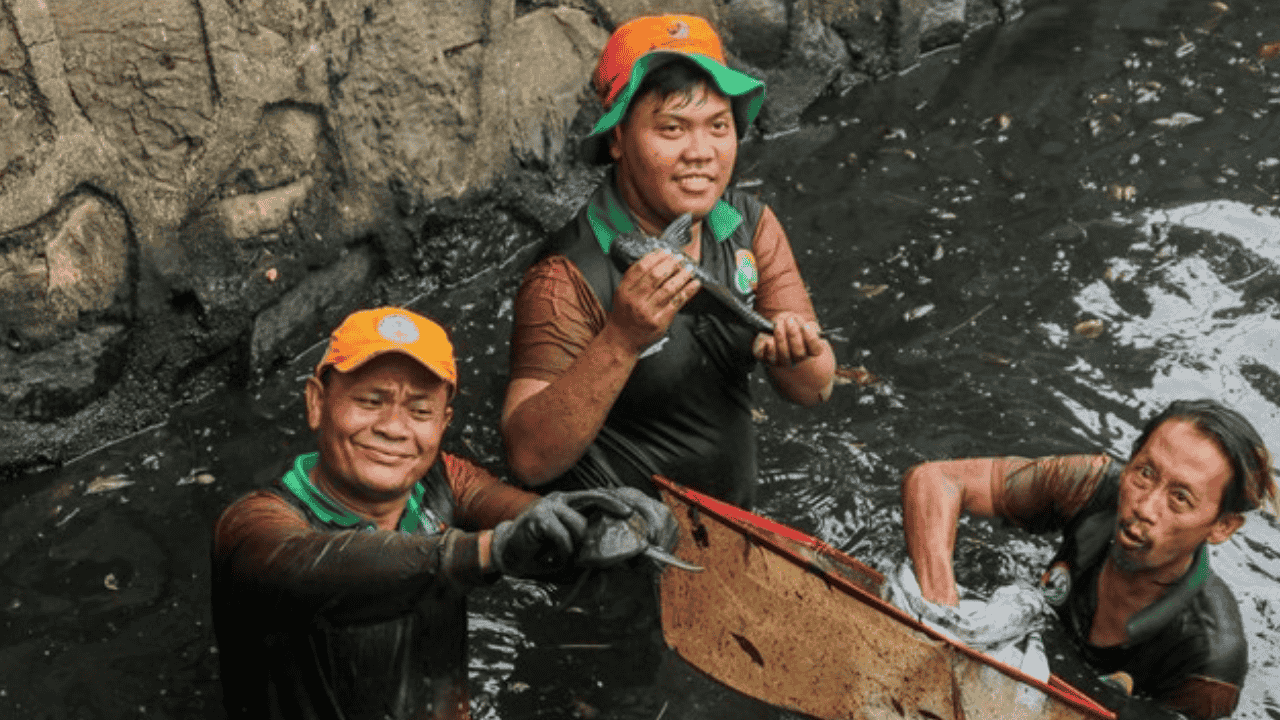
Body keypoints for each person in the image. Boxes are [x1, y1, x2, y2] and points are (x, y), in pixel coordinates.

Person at [210, 307, 674, 720]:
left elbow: (533, 519)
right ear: (317, 402)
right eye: (370, 401)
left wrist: (611, 519)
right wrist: (492, 550)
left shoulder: (443, 477)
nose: (394, 428)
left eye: (419, 410)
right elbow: (310, 565)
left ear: (443, 423)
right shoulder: (253, 526)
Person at [502, 14, 836, 507]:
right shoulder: (565, 275)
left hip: (731, 529)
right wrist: (622, 338)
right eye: (672, 128)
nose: (700, 152)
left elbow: (816, 389)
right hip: (620, 545)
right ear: (617, 139)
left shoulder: (748, 226)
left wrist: (796, 352)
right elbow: (528, 459)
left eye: (718, 126)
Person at [901, 399, 1278, 720]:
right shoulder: (1092, 487)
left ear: (1222, 526)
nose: (1144, 506)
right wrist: (941, 610)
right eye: (1145, 473)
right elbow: (936, 481)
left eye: (1180, 498)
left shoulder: (1209, 665)